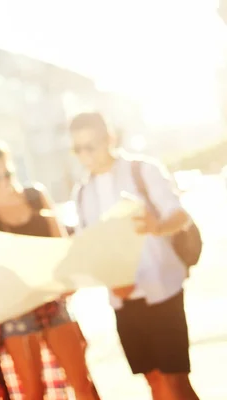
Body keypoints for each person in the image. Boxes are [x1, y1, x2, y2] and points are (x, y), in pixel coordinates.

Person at [69, 112, 199, 400]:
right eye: (78, 149)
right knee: (153, 381)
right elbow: (89, 249)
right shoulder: (82, 193)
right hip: (123, 299)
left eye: (91, 146)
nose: (85, 155)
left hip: (162, 290)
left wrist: (158, 225)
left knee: (176, 382)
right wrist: (108, 279)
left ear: (110, 139)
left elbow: (179, 215)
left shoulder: (142, 170)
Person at [0, 141, 99, 400]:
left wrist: (68, 278)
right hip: (17, 314)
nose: (5, 184)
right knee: (32, 393)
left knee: (82, 383)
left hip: (53, 303)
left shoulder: (36, 196)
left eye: (7, 174)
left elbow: (62, 247)